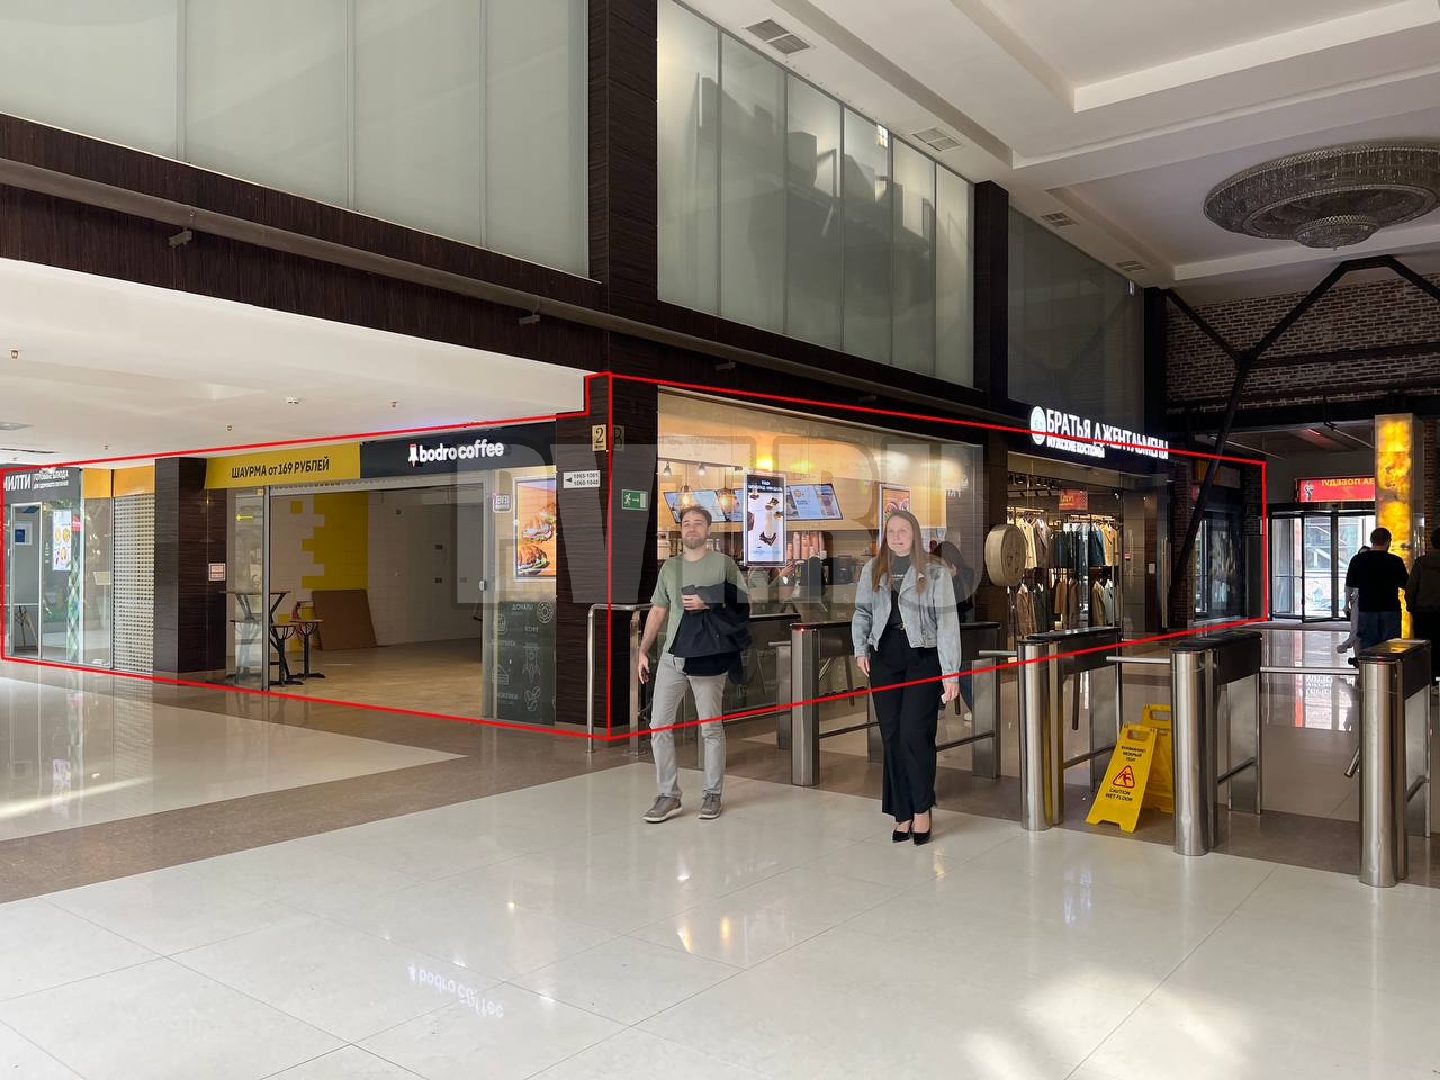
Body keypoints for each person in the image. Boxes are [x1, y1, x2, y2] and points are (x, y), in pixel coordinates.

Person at [852, 510, 962, 845]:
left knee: (914, 734)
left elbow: (948, 623)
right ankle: (902, 812)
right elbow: (862, 611)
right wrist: (860, 647)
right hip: (884, 656)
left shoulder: (935, 571)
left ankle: (922, 809)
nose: (897, 537)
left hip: (922, 656)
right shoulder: (874, 569)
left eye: (903, 530)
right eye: (891, 531)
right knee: (892, 736)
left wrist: (950, 672)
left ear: (914, 534)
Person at [638, 505, 747, 823]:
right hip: (673, 657)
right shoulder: (670, 568)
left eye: (698, 523)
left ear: (708, 529)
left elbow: (744, 603)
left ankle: (712, 793)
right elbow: (658, 610)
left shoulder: (723, 564)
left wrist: (708, 600)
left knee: (710, 727)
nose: (692, 528)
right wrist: (643, 650)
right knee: (659, 726)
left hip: (709, 656)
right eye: (686, 523)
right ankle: (668, 794)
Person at [1344, 527, 1409, 654]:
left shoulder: (1357, 560)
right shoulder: (1395, 561)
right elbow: (1405, 583)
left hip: (1366, 608)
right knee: (1390, 645)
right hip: (1390, 609)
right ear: (1388, 541)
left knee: (1367, 644)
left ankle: (1369, 666)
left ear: (1371, 540)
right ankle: (1388, 667)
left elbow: (1351, 584)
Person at [934, 540, 975, 715]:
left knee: (962, 671)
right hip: (967, 631)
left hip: (958, 632)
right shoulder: (966, 575)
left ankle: (941, 706)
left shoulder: (953, 580)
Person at [1406, 528, 1440, 680]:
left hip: (1423, 612)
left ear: (1432, 543)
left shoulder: (1421, 563)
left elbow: (1411, 587)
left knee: (1424, 648)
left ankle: (1427, 678)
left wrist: (1411, 606)